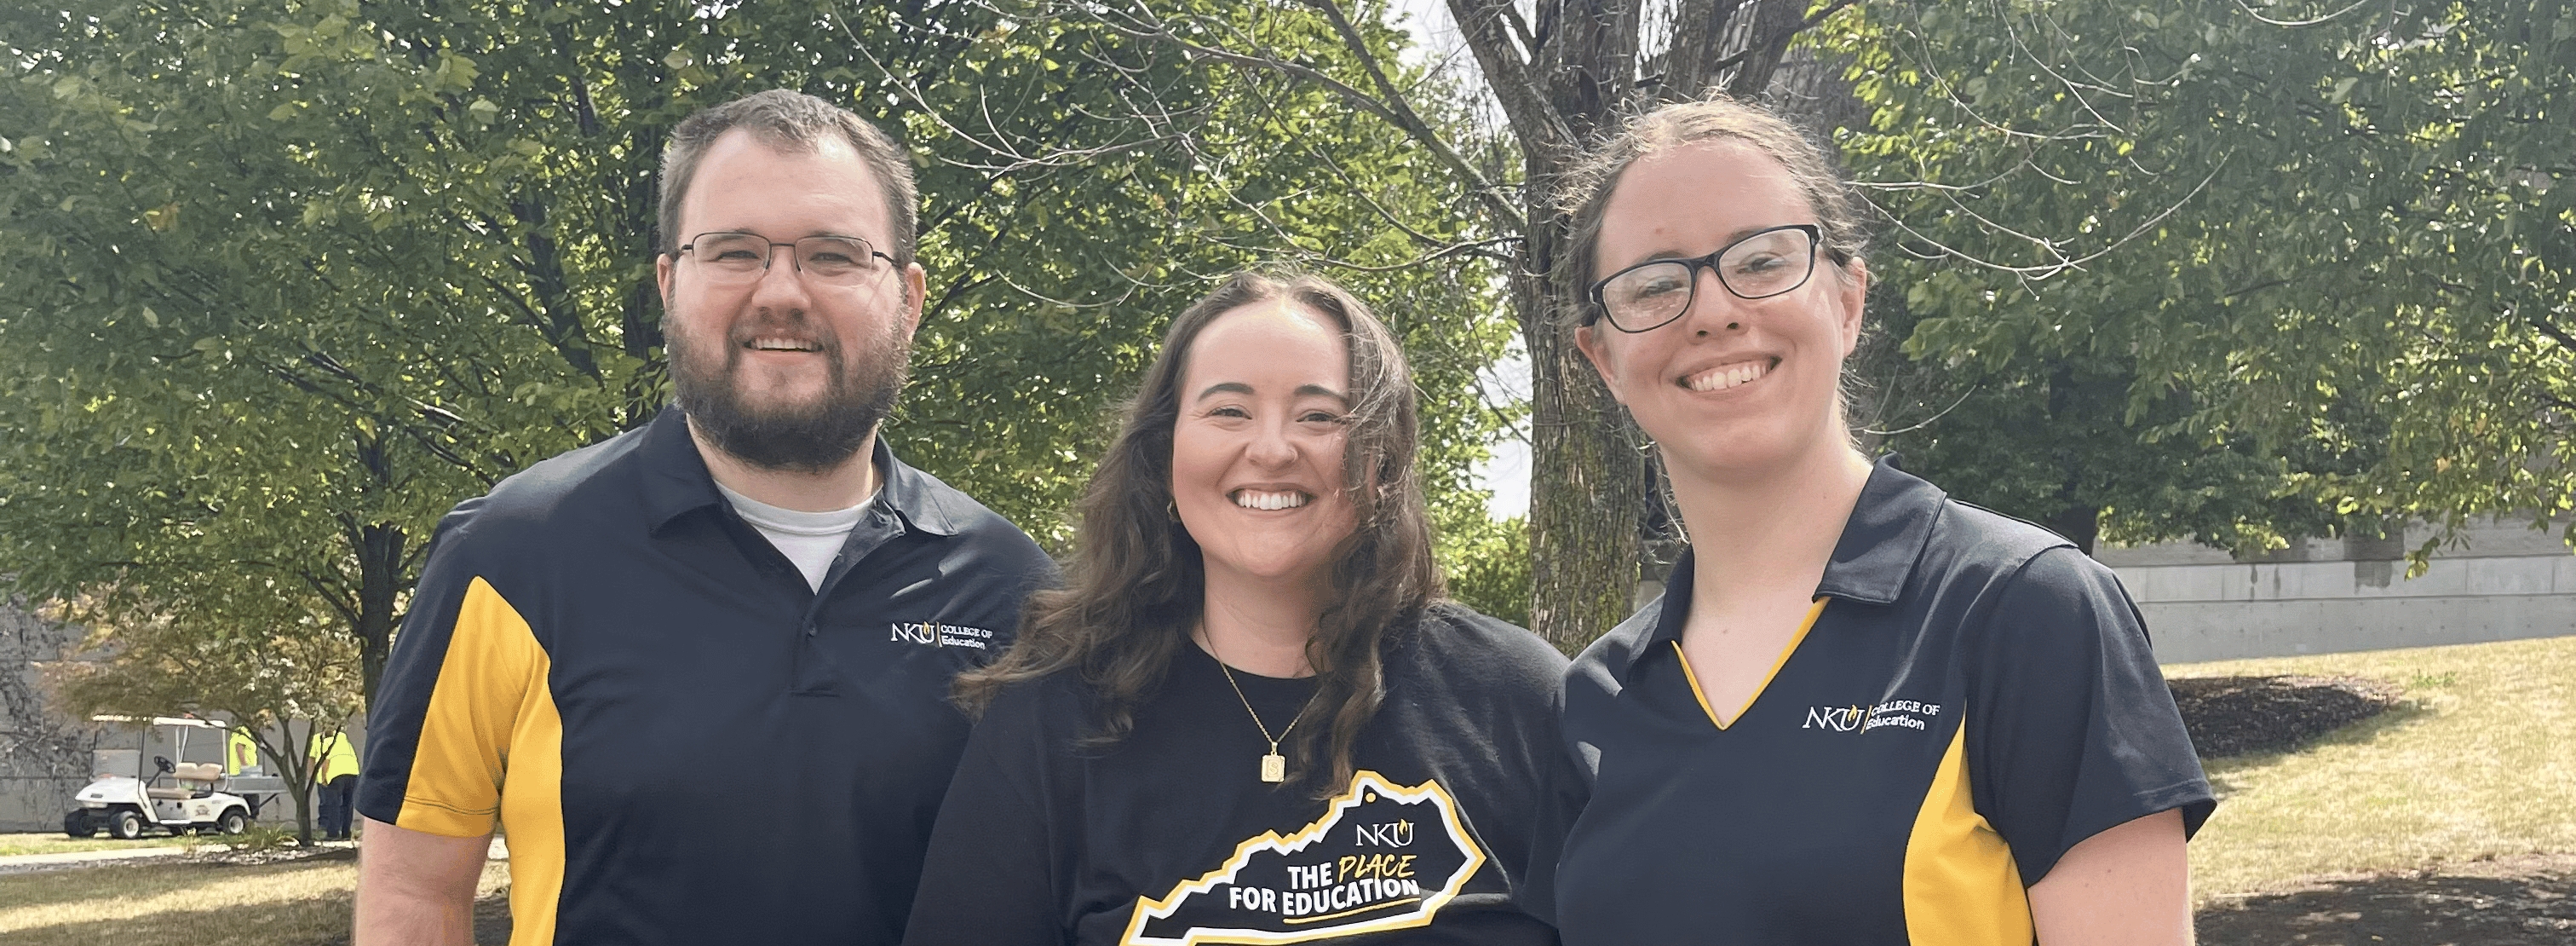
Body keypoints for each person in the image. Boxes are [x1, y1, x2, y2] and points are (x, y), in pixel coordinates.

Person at [353, 89, 1055, 946]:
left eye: (833, 256)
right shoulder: (511, 553)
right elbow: (414, 895)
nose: (781, 292)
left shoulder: (1013, 590)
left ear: (907, 298)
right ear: (669, 283)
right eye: (734, 252)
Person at [1520, 95, 2217, 944]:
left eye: (1762, 261)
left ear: (1848, 302)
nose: (1712, 311)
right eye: (1656, 284)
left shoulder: (2023, 612)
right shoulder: (1595, 701)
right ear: (1603, 360)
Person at [902, 272, 1573, 945]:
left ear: (1384, 462)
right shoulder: (1050, 722)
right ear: (1163, 453)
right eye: (1229, 411)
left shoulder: (1521, 699)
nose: (1272, 450)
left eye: (1320, 416)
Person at [310, 727, 359, 841]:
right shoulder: (342, 737)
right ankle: (346, 833)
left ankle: (333, 834)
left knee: (334, 804)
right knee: (348, 805)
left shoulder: (322, 740)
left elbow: (326, 761)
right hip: (353, 772)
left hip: (335, 774)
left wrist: (323, 778)